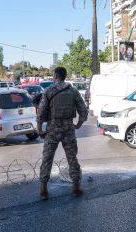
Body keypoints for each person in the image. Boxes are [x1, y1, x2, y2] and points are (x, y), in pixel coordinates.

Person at [37, 67, 88, 200]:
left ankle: (43, 190)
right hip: (68, 129)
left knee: (47, 158)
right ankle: (76, 187)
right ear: (65, 76)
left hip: (52, 129)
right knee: (72, 158)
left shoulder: (49, 90)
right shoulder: (73, 90)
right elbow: (83, 109)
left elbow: (41, 111)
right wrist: (79, 124)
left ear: (55, 76)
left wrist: (39, 128)